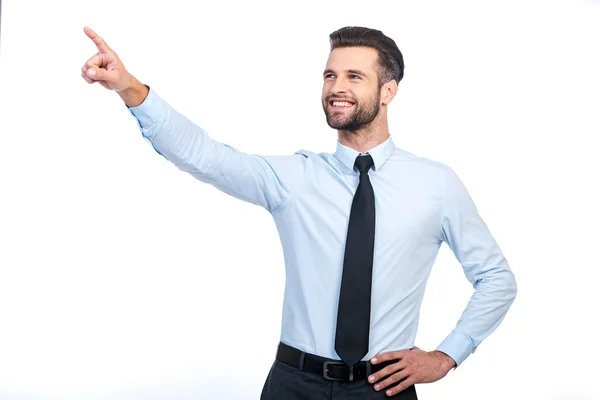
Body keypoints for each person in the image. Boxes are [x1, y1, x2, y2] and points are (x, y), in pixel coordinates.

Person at [81, 25, 517, 399]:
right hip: (294, 384)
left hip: (384, 388)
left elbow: (496, 278)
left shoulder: (435, 184)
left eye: (353, 76)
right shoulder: (294, 177)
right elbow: (205, 156)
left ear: (389, 91)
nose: (336, 87)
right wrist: (129, 87)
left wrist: (447, 355)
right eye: (330, 75)